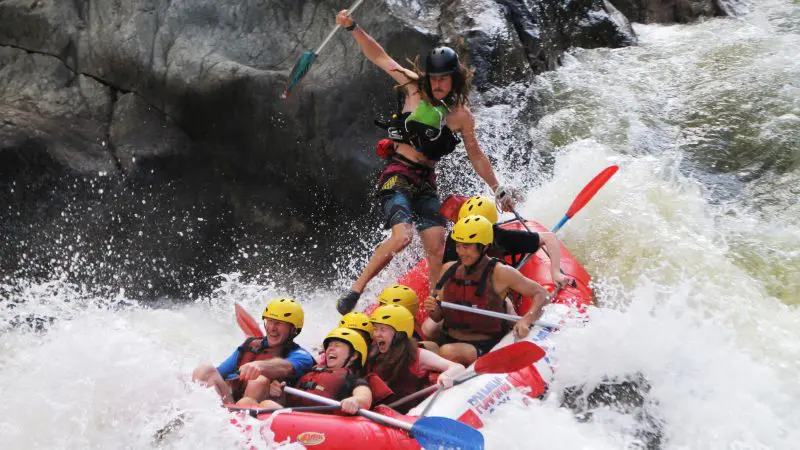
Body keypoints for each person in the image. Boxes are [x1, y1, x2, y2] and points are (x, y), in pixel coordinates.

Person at [333, 8, 517, 315]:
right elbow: (379, 56)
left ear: (454, 80)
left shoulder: (461, 116)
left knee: (436, 244)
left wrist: (498, 189)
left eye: (444, 79)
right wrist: (352, 27)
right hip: (398, 175)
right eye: (434, 79)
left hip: (426, 183)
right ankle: (355, 290)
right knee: (403, 236)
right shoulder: (414, 87)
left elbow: (476, 155)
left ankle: (434, 307)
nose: (437, 85)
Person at [424, 216, 552, 366]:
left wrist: (526, 320)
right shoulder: (448, 269)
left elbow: (542, 294)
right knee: (420, 348)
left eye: (467, 247)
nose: (461, 252)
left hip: (484, 345)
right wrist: (433, 309)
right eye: (458, 246)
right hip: (450, 338)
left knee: (447, 352)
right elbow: (438, 318)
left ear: (484, 246)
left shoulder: (500, 272)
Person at [191, 298, 315, 405]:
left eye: (279, 323)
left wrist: (259, 366)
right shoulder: (251, 346)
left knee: (259, 381)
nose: (272, 328)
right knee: (205, 370)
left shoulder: (301, 356)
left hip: (261, 412)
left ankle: (240, 416)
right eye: (269, 321)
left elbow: (285, 367)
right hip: (231, 408)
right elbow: (219, 373)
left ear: (293, 329)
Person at [443, 195, 571, 287]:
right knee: (429, 326)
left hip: (493, 288)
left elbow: (549, 237)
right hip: (465, 288)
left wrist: (555, 272)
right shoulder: (455, 237)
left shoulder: (500, 237)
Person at [366, 304, 466, 412]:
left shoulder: (418, 355)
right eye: (375, 329)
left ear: (400, 333)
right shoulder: (372, 351)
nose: (376, 334)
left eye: (382, 329)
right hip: (376, 414)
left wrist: (446, 376)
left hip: (406, 416)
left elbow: (458, 367)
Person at [259, 328, 372, 415]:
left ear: (354, 356)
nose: (330, 349)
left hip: (323, 425)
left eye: (337, 346)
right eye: (329, 346)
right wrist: (278, 394)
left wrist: (355, 401)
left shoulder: (353, 379)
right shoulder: (310, 372)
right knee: (249, 401)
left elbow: (365, 397)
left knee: (266, 405)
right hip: (295, 418)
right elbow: (287, 400)